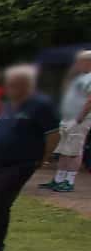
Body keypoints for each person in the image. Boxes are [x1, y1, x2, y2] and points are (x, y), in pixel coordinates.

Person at [0, 65, 60, 251]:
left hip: (20, 163)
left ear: (27, 84)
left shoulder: (41, 104)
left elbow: (54, 134)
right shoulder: (9, 104)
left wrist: (44, 158)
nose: (9, 87)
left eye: (14, 84)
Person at [42, 49, 91, 193]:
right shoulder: (81, 77)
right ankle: (58, 179)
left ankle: (68, 181)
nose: (77, 64)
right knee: (64, 150)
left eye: (80, 61)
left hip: (79, 119)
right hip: (68, 118)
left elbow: (89, 100)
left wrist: (80, 117)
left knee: (74, 150)